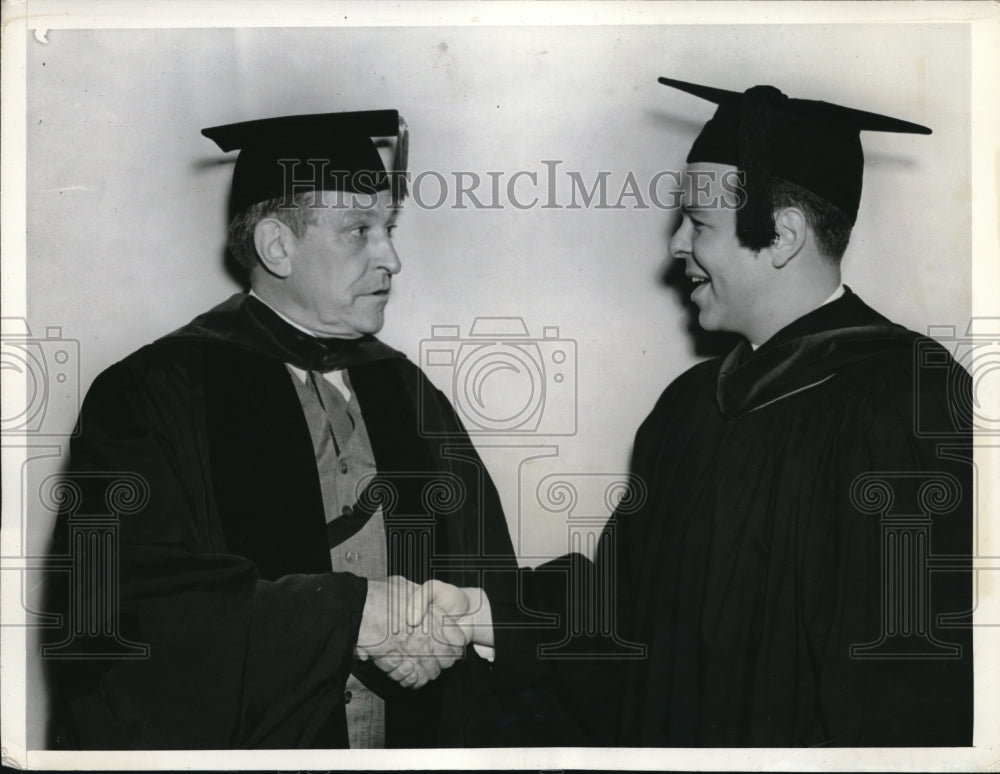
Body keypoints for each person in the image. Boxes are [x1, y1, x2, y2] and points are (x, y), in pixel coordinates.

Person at [423, 78, 974, 747]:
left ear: (782, 236)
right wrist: (483, 612)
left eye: (700, 224)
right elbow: (625, 607)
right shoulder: (688, 406)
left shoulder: (901, 399)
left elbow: (901, 681)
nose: (676, 246)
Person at [43, 110, 531, 749]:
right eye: (359, 230)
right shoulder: (152, 394)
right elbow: (123, 610)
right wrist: (344, 619)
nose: (392, 257)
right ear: (278, 246)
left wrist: (451, 631)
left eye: (388, 228)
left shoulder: (410, 394)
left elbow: (483, 568)